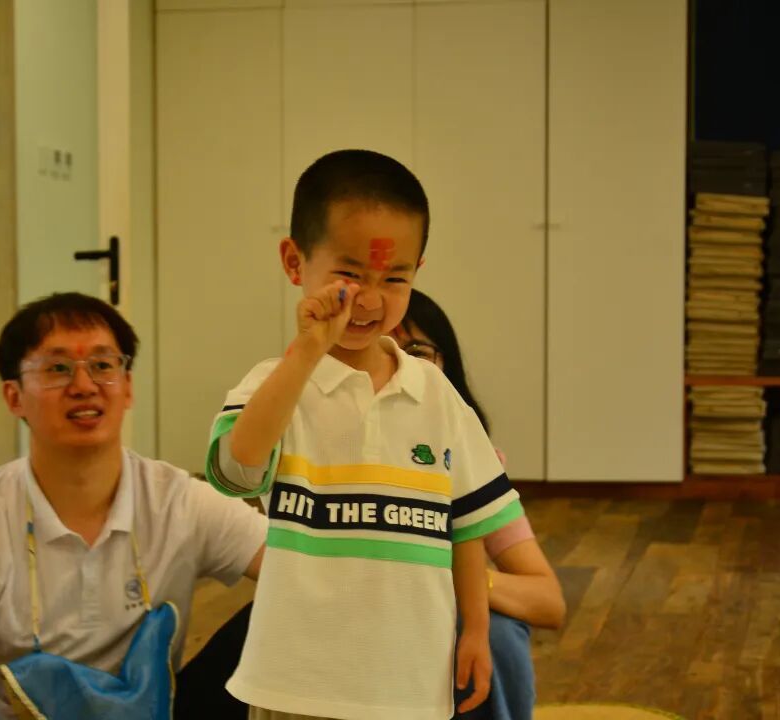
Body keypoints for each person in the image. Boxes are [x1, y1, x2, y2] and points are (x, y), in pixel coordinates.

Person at [205, 149, 525, 720]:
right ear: (295, 261)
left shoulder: (435, 394)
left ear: (417, 271)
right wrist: (307, 352)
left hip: (409, 684)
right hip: (294, 685)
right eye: (350, 275)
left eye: (394, 278)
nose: (371, 299)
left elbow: (468, 523)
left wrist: (476, 628)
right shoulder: (275, 385)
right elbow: (238, 467)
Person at [0, 292, 268, 719]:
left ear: (127, 387)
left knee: (280, 609)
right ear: (14, 396)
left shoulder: (178, 500)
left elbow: (297, 570)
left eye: (102, 365)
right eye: (57, 368)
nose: (84, 386)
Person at [394, 289, 566, 720]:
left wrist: (466, 584)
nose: (398, 368)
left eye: (417, 352)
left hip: (440, 616)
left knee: (496, 634)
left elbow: (547, 601)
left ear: (446, 367)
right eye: (380, 351)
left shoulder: (473, 463)